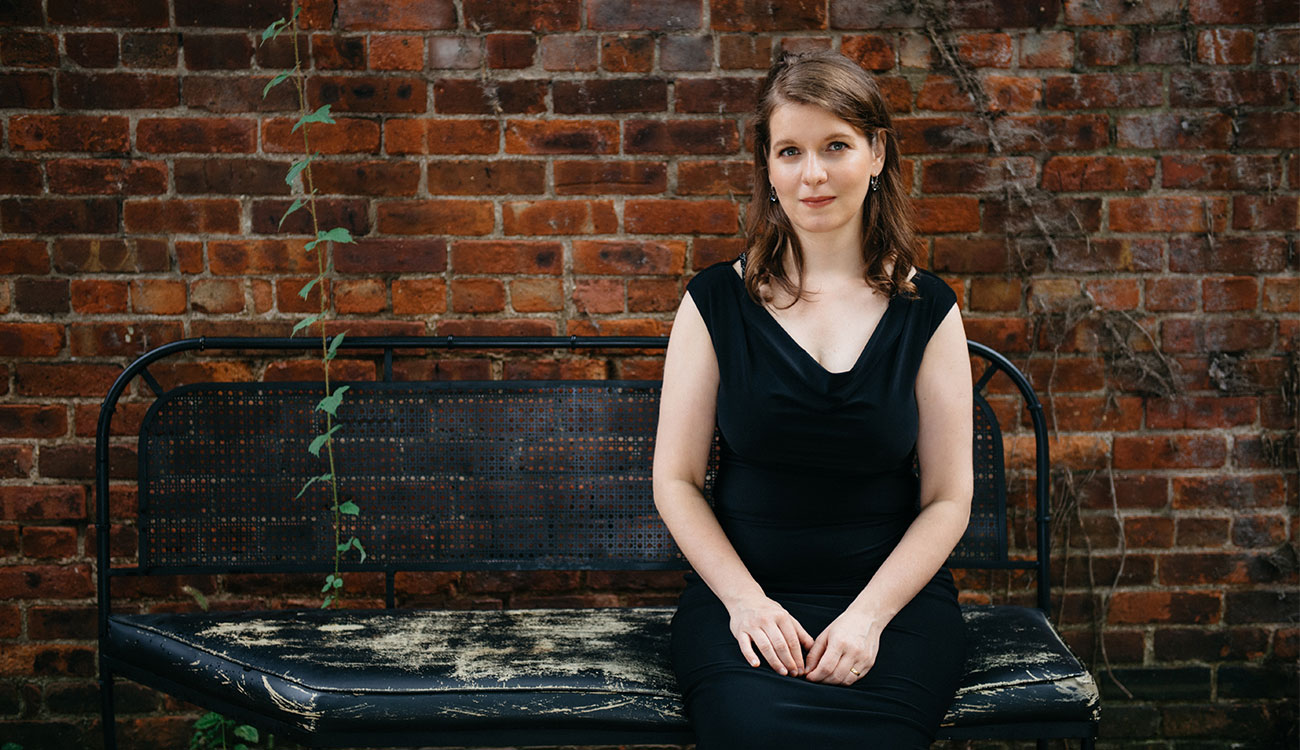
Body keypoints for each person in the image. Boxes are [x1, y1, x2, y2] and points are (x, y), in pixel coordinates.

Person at [652, 50, 974, 749]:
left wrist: (868, 618)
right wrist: (743, 602)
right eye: (790, 151)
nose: (814, 174)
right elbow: (675, 481)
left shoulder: (930, 310)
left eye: (836, 146)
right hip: (746, 603)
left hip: (892, 609)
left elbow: (949, 498)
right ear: (767, 166)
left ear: (877, 152)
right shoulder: (714, 303)